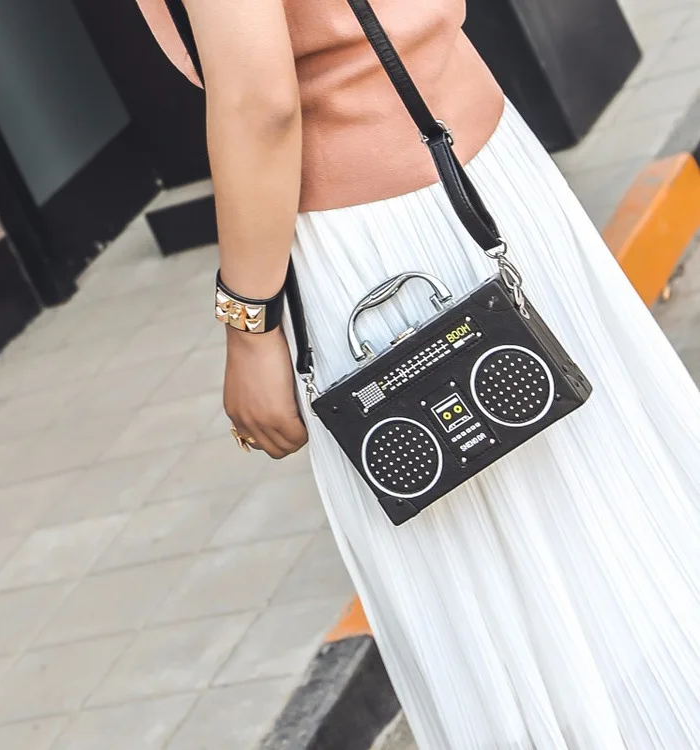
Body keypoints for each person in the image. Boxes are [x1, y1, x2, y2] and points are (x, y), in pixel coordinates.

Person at [136, 1, 700, 747]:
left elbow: (261, 102)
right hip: (476, 163)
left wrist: (247, 324)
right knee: (601, 527)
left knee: (509, 596)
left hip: (380, 241)